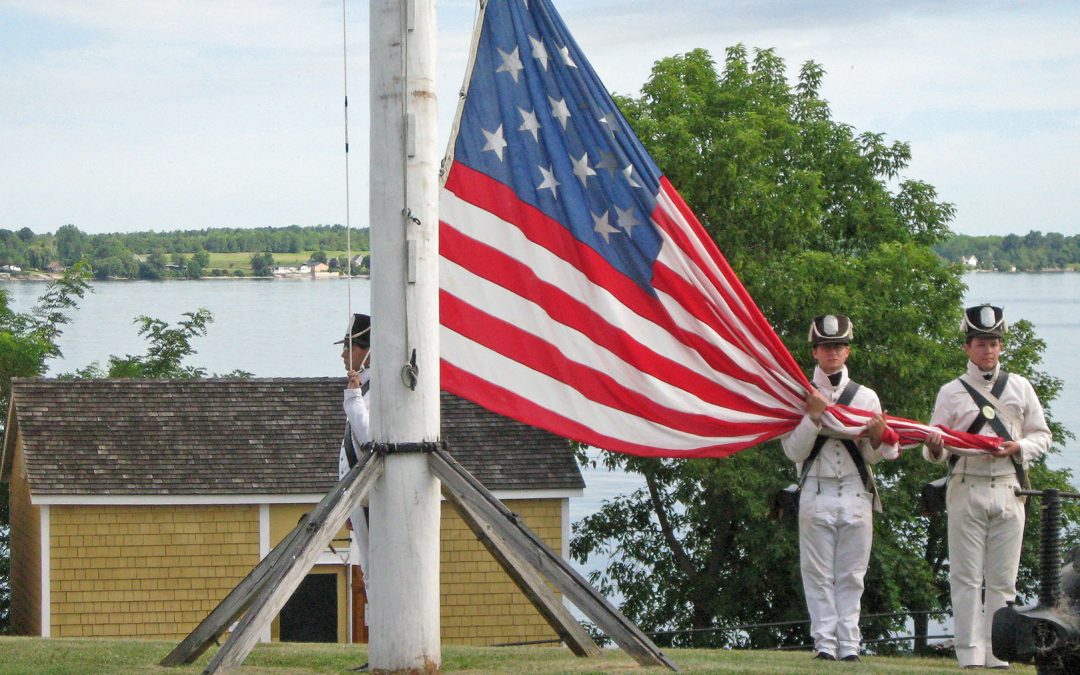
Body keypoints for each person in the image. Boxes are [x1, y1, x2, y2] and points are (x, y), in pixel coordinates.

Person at [924, 304, 1051, 669]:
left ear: (1000, 345)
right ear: (967, 347)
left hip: (1010, 487)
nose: (988, 350)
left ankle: (999, 655)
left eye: (993, 342)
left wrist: (1020, 448)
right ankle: (968, 655)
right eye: (980, 343)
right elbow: (935, 446)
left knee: (1002, 580)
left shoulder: (1020, 386)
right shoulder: (951, 391)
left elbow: (1041, 435)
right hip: (966, 483)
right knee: (964, 577)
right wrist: (933, 447)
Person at [781, 314, 895, 662]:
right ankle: (824, 643)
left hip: (854, 491)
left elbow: (876, 457)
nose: (832, 352)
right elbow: (793, 451)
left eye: (838, 346)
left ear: (847, 351)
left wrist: (877, 437)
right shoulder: (798, 394)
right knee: (816, 574)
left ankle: (849, 644)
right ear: (815, 351)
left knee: (851, 575)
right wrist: (813, 417)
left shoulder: (866, 397)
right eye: (826, 346)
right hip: (815, 489)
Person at [335, 312, 372, 582]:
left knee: (374, 569)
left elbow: (370, 437)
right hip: (359, 496)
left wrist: (353, 398)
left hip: (370, 494)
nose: (344, 354)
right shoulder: (367, 383)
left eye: (350, 347)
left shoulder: (376, 386)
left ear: (367, 350)